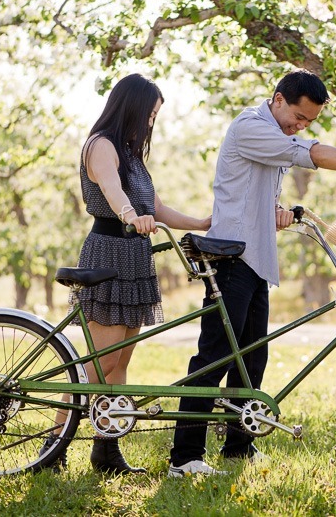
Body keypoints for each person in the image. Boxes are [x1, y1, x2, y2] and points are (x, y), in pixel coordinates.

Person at [167, 69, 336, 477]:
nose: (302, 126)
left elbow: (251, 187)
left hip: (256, 258)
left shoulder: (272, 135)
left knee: (253, 356)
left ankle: (238, 448)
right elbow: (312, 154)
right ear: (278, 99)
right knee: (214, 357)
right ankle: (185, 457)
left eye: (309, 121)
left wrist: (274, 209)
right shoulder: (250, 126)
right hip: (230, 259)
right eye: (298, 116)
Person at [46, 73, 210, 474]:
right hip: (109, 253)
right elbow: (112, 189)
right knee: (99, 364)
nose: (151, 123)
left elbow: (158, 207)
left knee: (120, 364)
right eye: (150, 114)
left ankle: (106, 450)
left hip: (136, 257)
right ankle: (53, 447)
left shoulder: (132, 154)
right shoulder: (100, 146)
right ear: (132, 108)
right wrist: (130, 216)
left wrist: (203, 222)